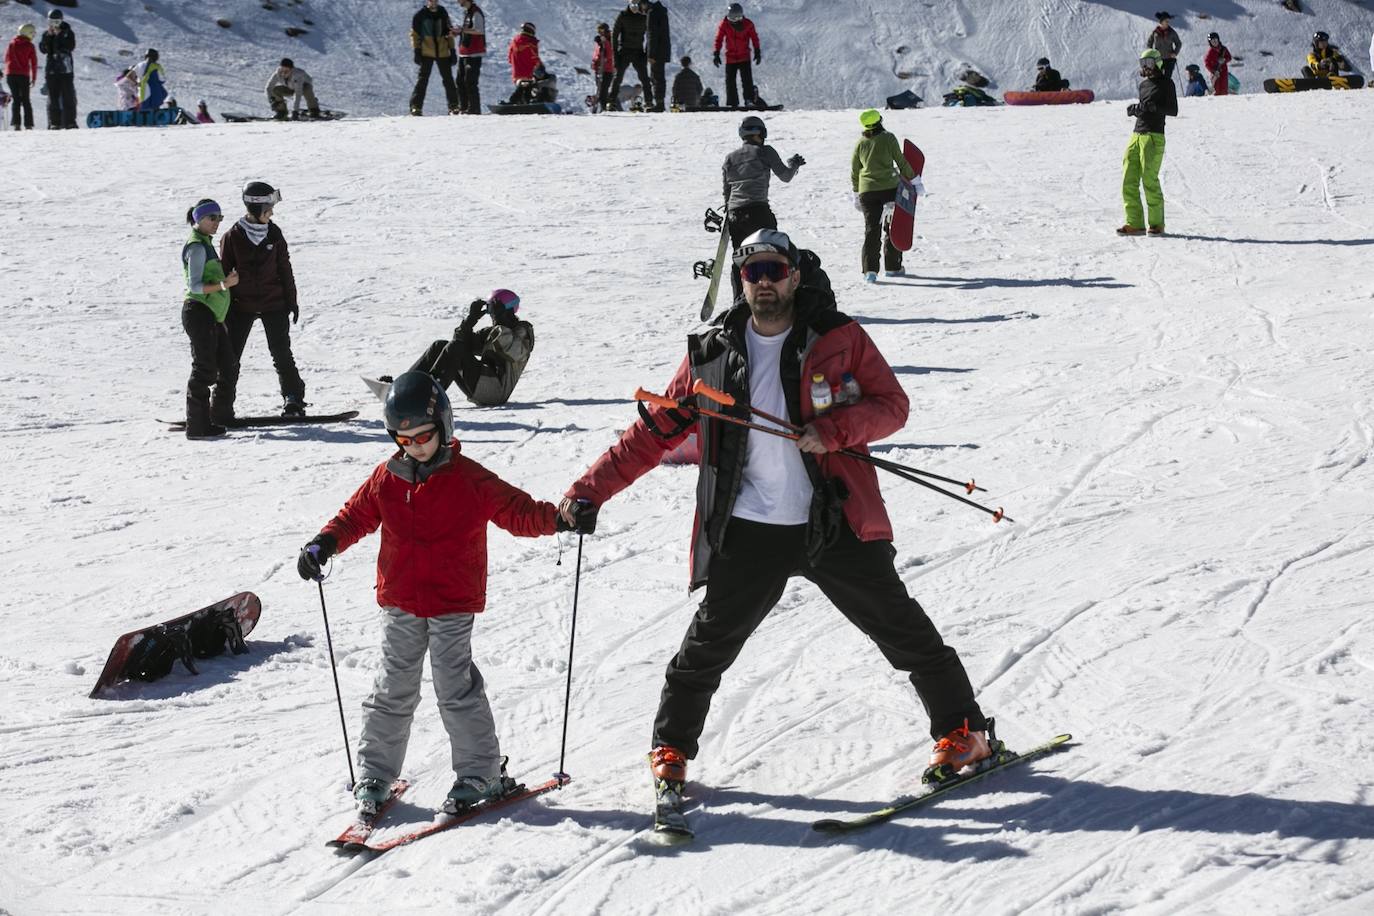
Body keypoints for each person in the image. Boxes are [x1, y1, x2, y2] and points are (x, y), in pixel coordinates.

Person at [558, 228, 993, 827]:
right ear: (741, 279)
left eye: (774, 269)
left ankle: (964, 732)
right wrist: (588, 492)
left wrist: (834, 430)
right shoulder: (713, 352)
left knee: (905, 633)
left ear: (794, 274)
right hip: (749, 526)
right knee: (705, 650)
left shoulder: (838, 338)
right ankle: (672, 750)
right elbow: (652, 433)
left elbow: (893, 405)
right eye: (752, 271)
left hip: (832, 520)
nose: (764, 281)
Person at [298, 370, 570, 816]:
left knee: (454, 686)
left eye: (423, 436)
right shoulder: (386, 479)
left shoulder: (469, 479)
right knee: (393, 687)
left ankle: (480, 773)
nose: (415, 446)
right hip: (400, 600)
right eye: (403, 440)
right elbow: (354, 517)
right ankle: (374, 775)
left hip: (452, 602)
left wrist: (559, 518)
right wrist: (324, 542)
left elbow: (518, 512)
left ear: (444, 427)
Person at [217, 181, 308, 420]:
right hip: (241, 305)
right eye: (269, 209)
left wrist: (292, 300)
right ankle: (222, 404)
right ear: (257, 210)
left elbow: (284, 268)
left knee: (281, 353)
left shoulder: (274, 233)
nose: (272, 213)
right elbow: (223, 273)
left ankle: (294, 399)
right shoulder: (232, 237)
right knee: (231, 357)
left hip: (273, 303)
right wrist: (222, 311)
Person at [389, 290, 534, 407]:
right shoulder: (493, 331)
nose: (491, 313)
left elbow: (515, 351)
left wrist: (501, 323)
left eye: (493, 308)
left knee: (456, 348)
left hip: (496, 391)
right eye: (489, 309)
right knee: (440, 345)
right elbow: (459, 341)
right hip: (482, 382)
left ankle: (429, 396)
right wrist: (471, 319)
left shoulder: (523, 331)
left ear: (507, 309)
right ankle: (404, 387)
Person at [722, 115, 804, 300]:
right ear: (761, 132)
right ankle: (775, 297)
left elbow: (727, 191)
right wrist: (794, 164)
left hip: (735, 214)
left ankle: (740, 300)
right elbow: (785, 176)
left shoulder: (730, 158)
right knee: (771, 255)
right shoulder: (765, 151)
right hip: (758, 211)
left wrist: (729, 213)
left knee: (741, 259)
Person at [180, 199, 240, 440]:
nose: (217, 223)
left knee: (228, 365)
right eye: (212, 218)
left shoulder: (206, 244)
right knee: (205, 368)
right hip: (198, 312)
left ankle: (218, 415)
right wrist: (225, 284)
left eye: (219, 218)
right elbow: (194, 286)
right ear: (199, 219)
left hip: (211, 315)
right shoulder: (196, 246)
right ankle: (196, 425)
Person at [851, 108, 914, 282]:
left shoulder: (860, 143)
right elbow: (900, 161)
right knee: (893, 228)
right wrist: (913, 179)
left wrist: (857, 193)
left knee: (871, 230)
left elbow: (855, 171)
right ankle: (893, 267)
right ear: (880, 121)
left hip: (867, 192)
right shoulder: (888, 138)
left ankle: (869, 271)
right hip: (889, 190)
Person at [1119, 48, 1177, 237]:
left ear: (1158, 63)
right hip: (1137, 134)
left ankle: (1156, 224)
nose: (1146, 68)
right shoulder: (1143, 85)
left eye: (1149, 63)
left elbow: (1173, 109)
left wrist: (1155, 107)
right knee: (1128, 179)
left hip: (1154, 136)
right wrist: (1136, 109)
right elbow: (1145, 108)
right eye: (1143, 64)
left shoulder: (1167, 83)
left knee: (1149, 179)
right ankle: (1134, 223)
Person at [410, 0, 460, 116]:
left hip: (442, 51)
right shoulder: (420, 15)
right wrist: (417, 50)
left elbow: (449, 32)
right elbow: (414, 34)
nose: (433, 1)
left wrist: (452, 50)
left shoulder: (443, 12)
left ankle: (454, 106)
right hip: (426, 51)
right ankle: (416, 107)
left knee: (448, 80)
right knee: (422, 80)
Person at [713, 3, 761, 109]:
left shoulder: (748, 24)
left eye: (737, 17)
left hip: (744, 56)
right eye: (732, 18)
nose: (734, 20)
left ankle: (749, 100)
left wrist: (757, 50)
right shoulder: (724, 24)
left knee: (747, 80)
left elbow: (754, 37)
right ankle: (732, 102)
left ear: (741, 16)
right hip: (730, 57)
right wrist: (716, 53)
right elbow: (719, 38)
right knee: (730, 81)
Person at [38, 10, 76, 130]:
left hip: (66, 69)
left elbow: (70, 46)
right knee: (53, 97)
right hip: (51, 70)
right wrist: (49, 37)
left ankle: (70, 122)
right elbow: (44, 49)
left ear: (61, 20)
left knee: (68, 96)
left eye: (56, 21)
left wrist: (60, 35)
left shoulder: (68, 32)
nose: (54, 24)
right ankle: (54, 123)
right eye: (51, 21)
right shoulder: (46, 34)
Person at [611, 0, 651, 111]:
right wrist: (615, 55)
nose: (634, 7)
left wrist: (646, 53)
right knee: (618, 78)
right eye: (632, 4)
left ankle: (649, 102)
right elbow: (614, 35)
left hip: (638, 52)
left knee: (645, 79)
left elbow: (650, 36)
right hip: (624, 51)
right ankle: (612, 102)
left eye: (636, 4)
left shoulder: (644, 18)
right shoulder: (623, 16)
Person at [4, 24, 37, 131]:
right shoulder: (30, 46)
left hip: (10, 75)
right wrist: (34, 78)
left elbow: (6, 58)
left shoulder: (11, 44)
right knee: (26, 100)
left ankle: (16, 124)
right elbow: (34, 63)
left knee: (16, 99)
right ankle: (28, 124)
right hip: (23, 75)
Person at [454, 0, 485, 114]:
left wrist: (462, 30)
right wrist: (458, 32)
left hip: (474, 53)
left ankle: (474, 108)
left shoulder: (476, 13)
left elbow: (479, 30)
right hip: (464, 52)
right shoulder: (467, 12)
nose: (457, 1)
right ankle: (463, 107)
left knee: (470, 81)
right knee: (460, 81)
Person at [644, 0, 671, 113]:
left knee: (656, 77)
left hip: (656, 52)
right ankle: (660, 103)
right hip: (663, 49)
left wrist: (651, 54)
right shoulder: (661, 12)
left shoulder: (652, 13)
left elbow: (652, 35)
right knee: (659, 77)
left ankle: (659, 104)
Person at [1145, 11, 1182, 80]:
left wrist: (1175, 53)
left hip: (1169, 59)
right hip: (1157, 59)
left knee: (1167, 79)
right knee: (1157, 78)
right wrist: (1150, 53)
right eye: (1166, 21)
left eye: (1168, 21)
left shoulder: (1172, 32)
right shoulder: (1155, 32)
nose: (1168, 23)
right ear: (1161, 22)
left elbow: (1178, 43)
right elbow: (1149, 42)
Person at [592, 22, 616, 111]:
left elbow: (609, 54)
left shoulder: (610, 40)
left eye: (602, 30)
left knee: (603, 90)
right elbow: (597, 54)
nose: (600, 32)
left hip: (607, 69)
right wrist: (595, 63)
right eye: (599, 30)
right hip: (599, 68)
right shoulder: (599, 41)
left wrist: (605, 42)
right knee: (600, 89)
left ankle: (604, 108)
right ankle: (602, 107)